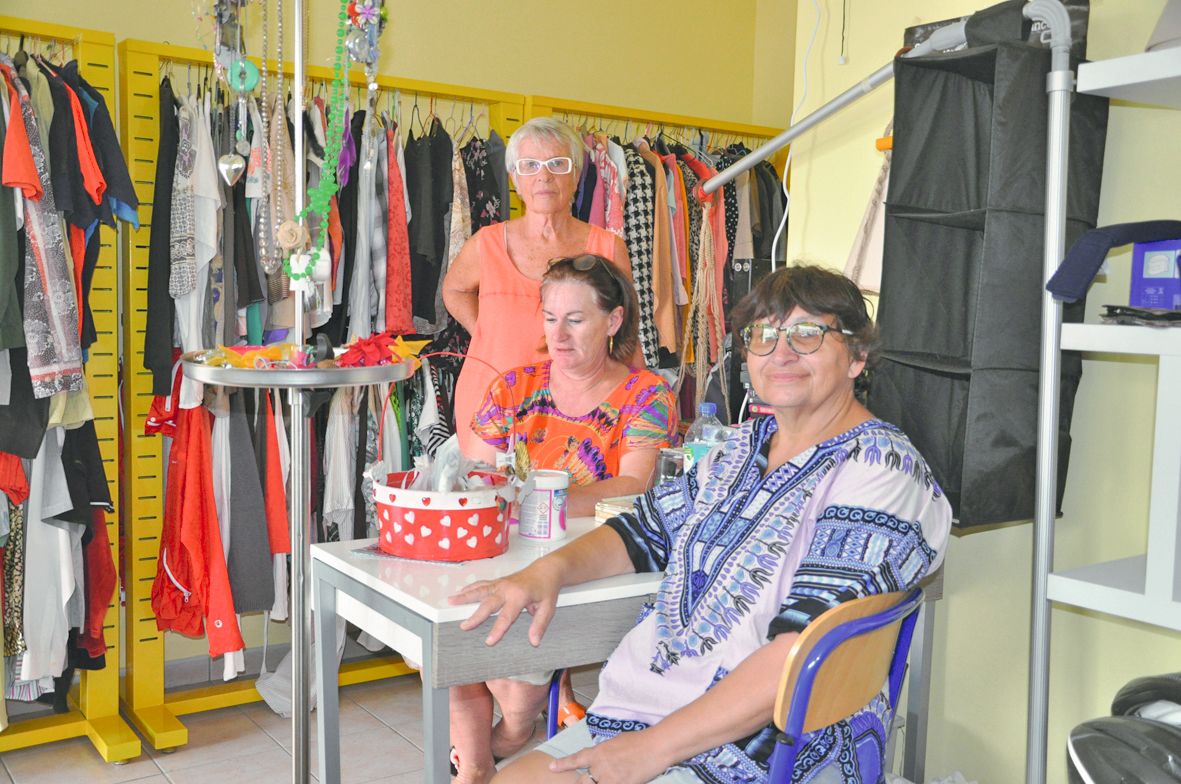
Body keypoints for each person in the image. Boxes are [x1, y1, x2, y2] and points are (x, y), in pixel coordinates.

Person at [450, 265, 953, 784]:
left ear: (857, 357)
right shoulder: (739, 447)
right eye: (764, 334)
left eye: (808, 334)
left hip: (774, 750)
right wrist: (545, 574)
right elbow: (644, 531)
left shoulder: (879, 467)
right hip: (649, 719)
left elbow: (799, 654)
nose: (781, 352)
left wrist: (651, 750)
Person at [450, 254, 678, 784]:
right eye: (551, 318)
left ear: (613, 321)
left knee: (519, 689)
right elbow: (477, 478)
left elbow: (633, 486)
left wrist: (531, 496)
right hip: (505, 553)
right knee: (459, 630)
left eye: (576, 320)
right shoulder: (513, 386)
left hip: (588, 565)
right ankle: (477, 767)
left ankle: (507, 738)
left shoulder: (646, 394)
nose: (559, 333)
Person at [443, 117, 631, 459]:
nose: (543, 176)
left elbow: (625, 329)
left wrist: (636, 396)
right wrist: (485, 331)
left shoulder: (606, 248)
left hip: (579, 411)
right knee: (489, 501)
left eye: (557, 164)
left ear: (576, 175)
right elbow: (453, 290)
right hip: (491, 407)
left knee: (569, 505)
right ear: (515, 178)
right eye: (530, 165)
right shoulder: (486, 244)